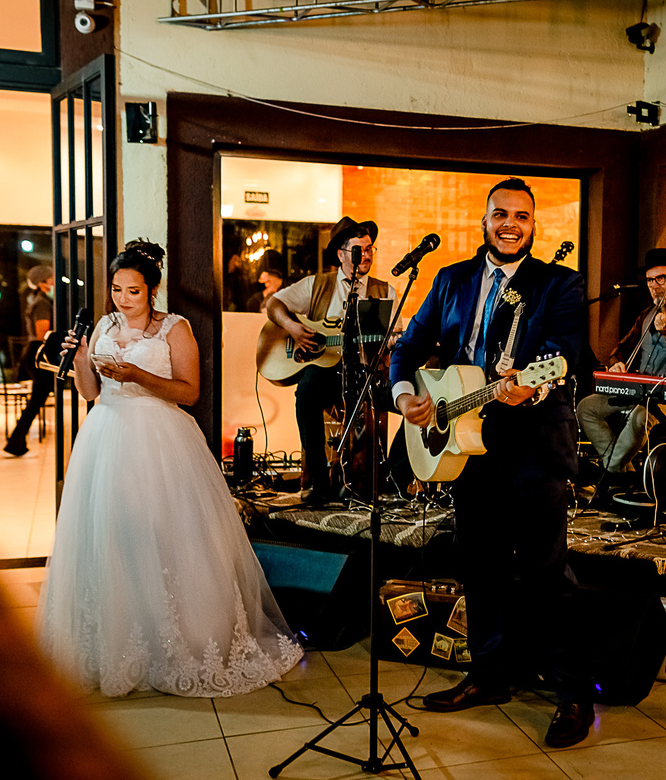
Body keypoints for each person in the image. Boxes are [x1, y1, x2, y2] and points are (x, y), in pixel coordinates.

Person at [39, 240, 302, 697]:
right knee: (113, 537)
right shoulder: (103, 325)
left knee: (165, 534)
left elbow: (190, 392)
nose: (123, 299)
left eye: (134, 291)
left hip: (160, 439)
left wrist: (137, 375)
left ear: (152, 290)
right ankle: (119, 640)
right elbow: (90, 393)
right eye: (117, 290)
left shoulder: (174, 328)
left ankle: (187, 637)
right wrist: (83, 360)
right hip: (106, 437)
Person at [390, 177, 595, 748]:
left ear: (534, 224)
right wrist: (406, 394)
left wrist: (527, 386)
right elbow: (408, 348)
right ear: (483, 221)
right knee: (479, 568)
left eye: (521, 216)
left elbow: (564, 354)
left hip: (535, 448)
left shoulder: (559, 284)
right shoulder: (450, 280)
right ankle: (488, 676)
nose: (510, 224)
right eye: (500, 214)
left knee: (545, 573)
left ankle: (572, 692)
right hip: (465, 450)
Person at [265, 217, 396, 504]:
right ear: (341, 254)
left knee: (406, 398)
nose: (367, 255)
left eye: (371, 248)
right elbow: (273, 305)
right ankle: (318, 482)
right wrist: (293, 328)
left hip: (363, 371)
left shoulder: (384, 291)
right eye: (359, 249)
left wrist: (392, 343)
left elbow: (389, 340)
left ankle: (382, 481)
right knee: (307, 391)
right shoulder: (316, 285)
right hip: (327, 372)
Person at [576, 248, 666, 503]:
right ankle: (622, 473)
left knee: (641, 415)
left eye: (661, 279)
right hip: (643, 391)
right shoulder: (646, 315)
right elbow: (621, 348)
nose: (655, 286)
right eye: (650, 280)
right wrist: (617, 363)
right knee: (586, 408)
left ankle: (610, 475)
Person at [3, 265, 55, 457]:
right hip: (37, 352)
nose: (54, 285)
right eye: (51, 281)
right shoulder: (42, 303)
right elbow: (43, 333)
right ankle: (16, 440)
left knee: (37, 398)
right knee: (37, 399)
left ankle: (16, 440)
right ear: (42, 284)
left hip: (32, 352)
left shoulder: (36, 300)